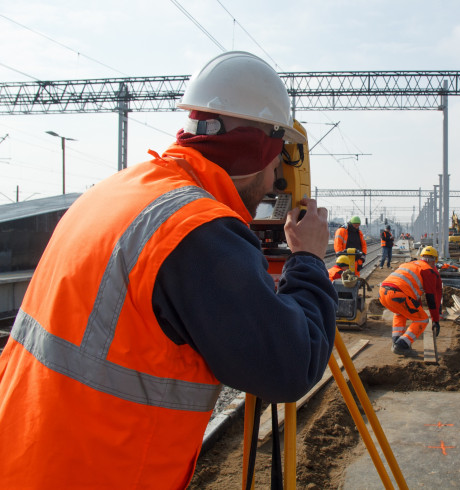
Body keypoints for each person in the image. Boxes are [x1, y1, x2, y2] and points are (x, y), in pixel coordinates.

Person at [0, 51, 338, 488]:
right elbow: (290, 367)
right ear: (260, 149)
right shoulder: (198, 233)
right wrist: (309, 260)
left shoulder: (116, 191)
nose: (278, 174)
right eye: (278, 158)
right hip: (98, 473)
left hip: (23, 457)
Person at [379, 246, 443, 356]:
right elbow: (431, 298)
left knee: (400, 313)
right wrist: (435, 320)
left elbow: (415, 300)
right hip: (398, 294)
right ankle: (402, 345)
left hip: (382, 293)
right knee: (422, 319)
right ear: (434, 261)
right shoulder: (428, 270)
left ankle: (396, 341)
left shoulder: (410, 265)